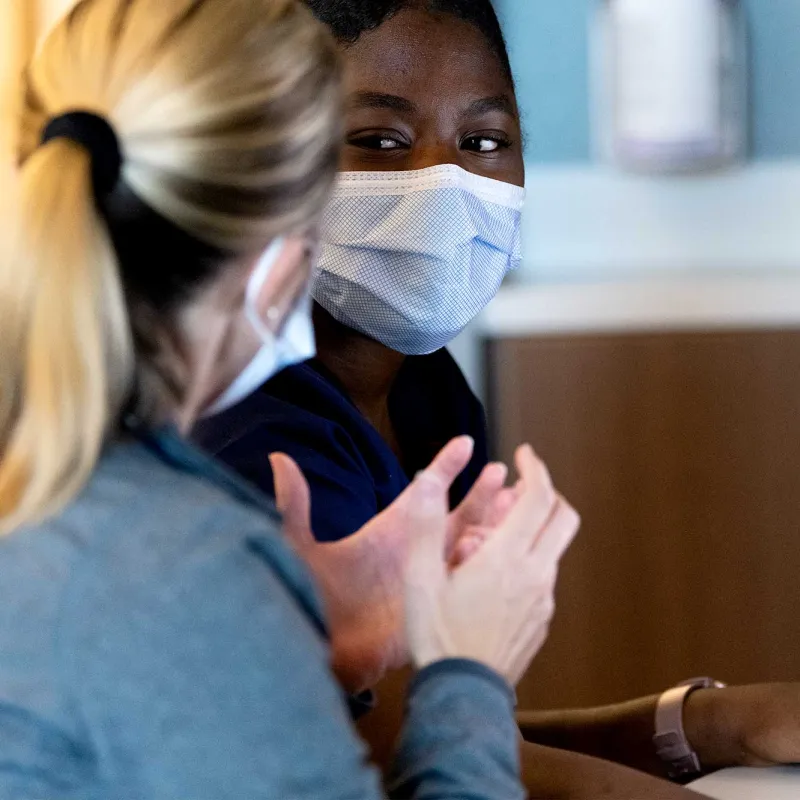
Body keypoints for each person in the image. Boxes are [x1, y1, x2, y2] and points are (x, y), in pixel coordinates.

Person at [195, 1, 800, 798]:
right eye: (380, 142)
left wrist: (715, 725)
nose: (444, 181)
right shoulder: (256, 439)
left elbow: (461, 733)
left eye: (485, 142)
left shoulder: (427, 397)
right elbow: (395, 767)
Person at [0, 0, 582, 797]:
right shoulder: (181, 557)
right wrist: (468, 671)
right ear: (286, 241)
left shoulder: (92, 503)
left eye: (481, 141)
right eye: (373, 147)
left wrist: (317, 644)